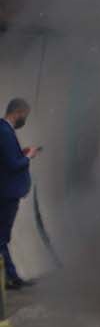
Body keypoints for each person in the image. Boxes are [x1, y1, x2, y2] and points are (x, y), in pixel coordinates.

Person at [0, 98, 34, 288]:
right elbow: (13, 165)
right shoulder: (4, 131)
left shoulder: (3, 130)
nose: (24, 119)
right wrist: (28, 157)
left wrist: (21, 153)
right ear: (18, 112)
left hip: (6, 192)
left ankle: (11, 277)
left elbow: (7, 159)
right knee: (2, 237)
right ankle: (9, 279)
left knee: (2, 237)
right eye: (24, 115)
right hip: (7, 194)